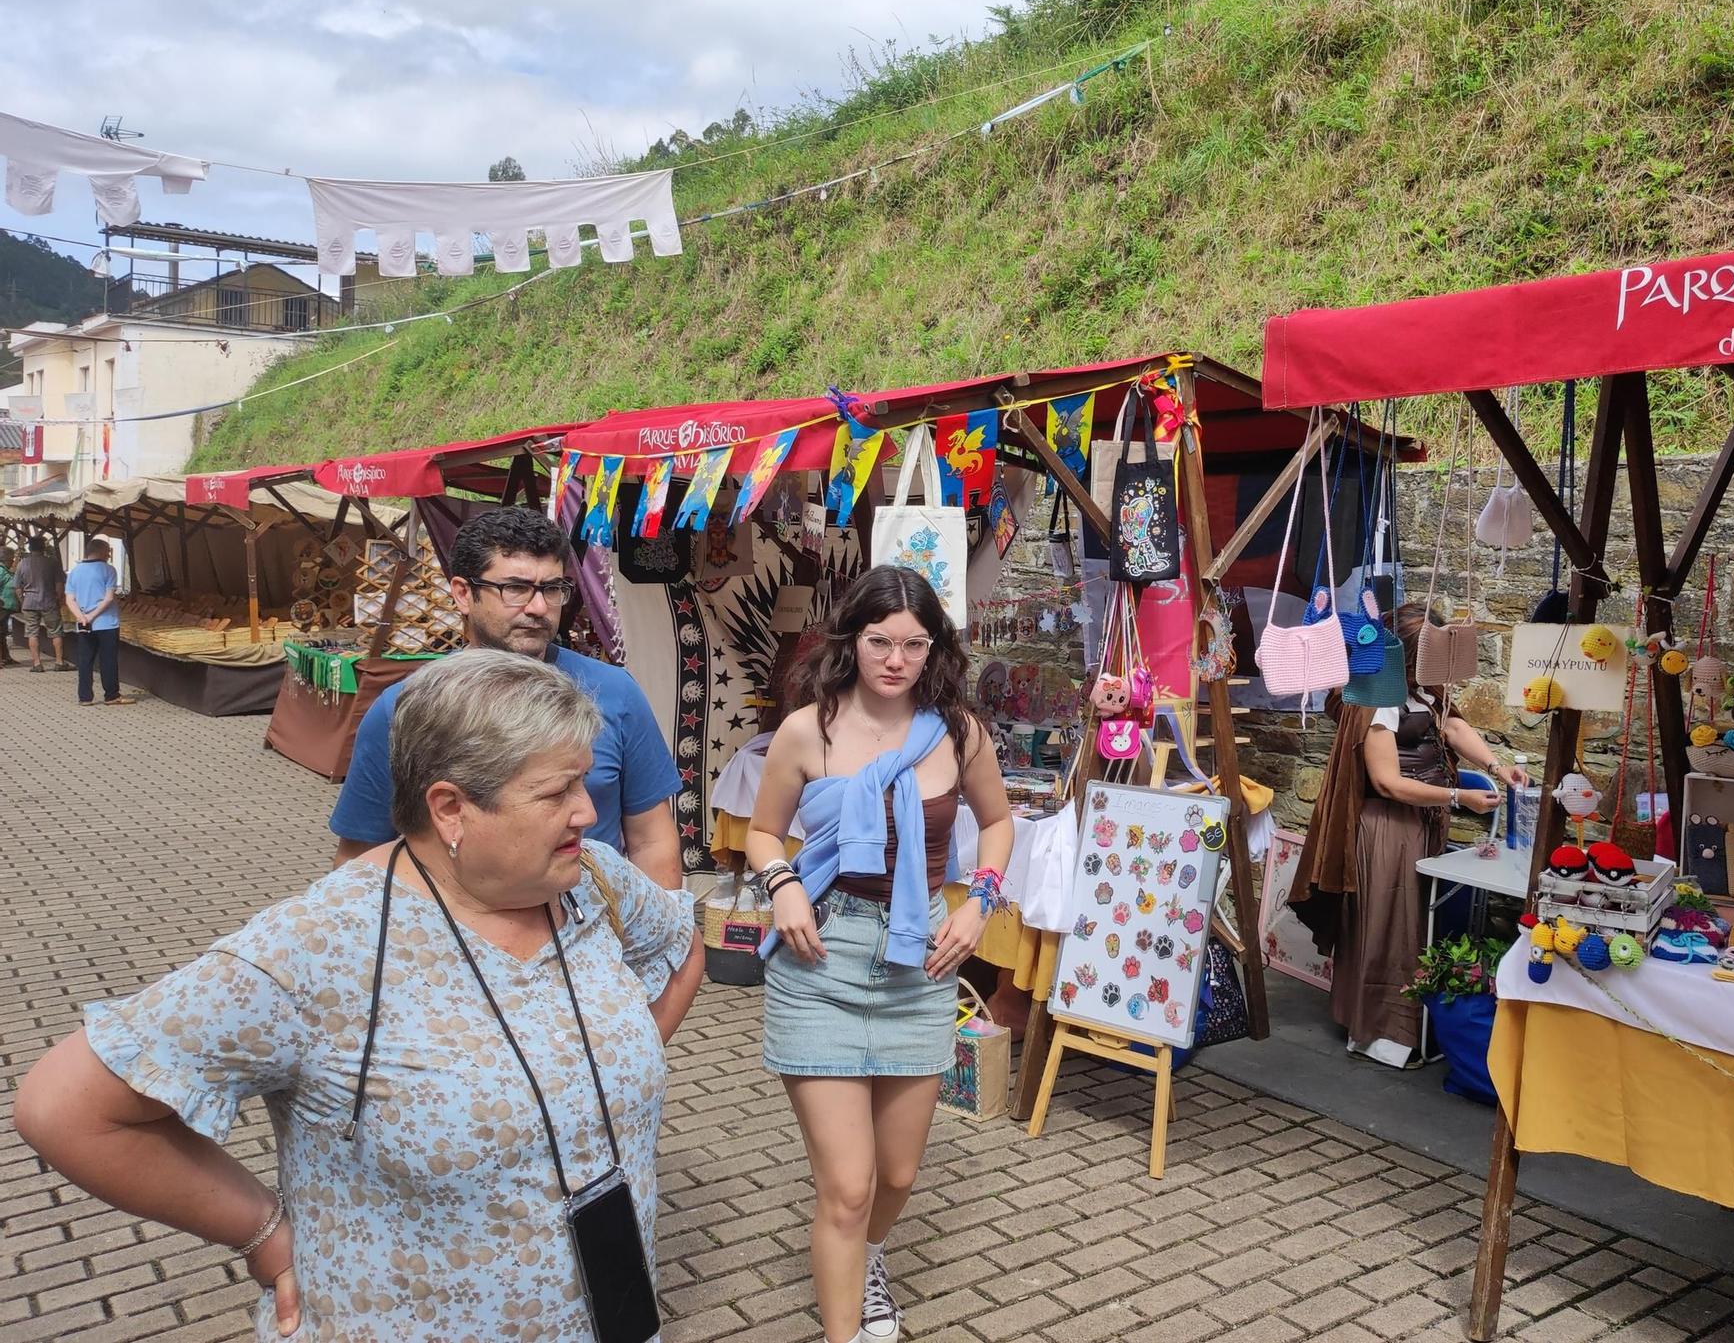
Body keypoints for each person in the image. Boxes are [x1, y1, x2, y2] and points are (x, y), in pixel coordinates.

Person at [15, 649, 705, 1340]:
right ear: (451, 809)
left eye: (584, 780)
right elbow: (64, 1108)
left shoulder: (591, 879)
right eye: (558, 792)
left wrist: (622, 1062)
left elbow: (682, 941)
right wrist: (260, 1231)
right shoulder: (317, 947)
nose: (588, 810)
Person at [743, 567, 1014, 1343]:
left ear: (935, 648)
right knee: (849, 1185)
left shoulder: (958, 731)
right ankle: (846, 1323)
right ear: (850, 639)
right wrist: (782, 882)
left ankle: (866, 1257)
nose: (895, 659)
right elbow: (764, 831)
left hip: (919, 958)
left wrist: (980, 904)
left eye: (913, 644)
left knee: (895, 1175)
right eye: (879, 641)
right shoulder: (807, 729)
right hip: (822, 954)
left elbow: (997, 825)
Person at [331, 506, 684, 890]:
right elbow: (361, 857)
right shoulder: (405, 708)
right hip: (456, 935)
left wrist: (660, 938)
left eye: (552, 589)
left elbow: (651, 838)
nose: (537, 608)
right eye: (514, 588)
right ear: (463, 594)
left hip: (593, 930)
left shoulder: (616, 693)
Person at [1327, 603, 1529, 1068]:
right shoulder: (1377, 698)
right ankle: (1380, 1033)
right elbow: (1387, 782)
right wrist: (1458, 798)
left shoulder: (1423, 691)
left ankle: (1408, 1024)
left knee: (1414, 922)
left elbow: (1451, 726)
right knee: (1389, 924)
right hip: (1387, 829)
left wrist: (1498, 767)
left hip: (1421, 822)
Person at [65, 538, 131, 705]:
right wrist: (92, 616)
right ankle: (111, 695)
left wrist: (82, 617)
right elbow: (108, 598)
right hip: (107, 622)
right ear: (101, 551)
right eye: (108, 551)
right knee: (108, 659)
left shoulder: (75, 571)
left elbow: (69, 600)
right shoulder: (109, 570)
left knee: (85, 660)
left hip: (83, 624)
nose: (109, 554)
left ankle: (85, 697)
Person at [12, 535, 69, 673]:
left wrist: (22, 600)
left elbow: (17, 587)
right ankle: (59, 662)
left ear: (29, 548)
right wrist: (59, 599)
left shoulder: (22, 563)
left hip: (29, 602)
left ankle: (37, 664)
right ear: (43, 547)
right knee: (56, 632)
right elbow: (59, 585)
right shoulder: (53, 563)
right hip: (49, 601)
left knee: (32, 633)